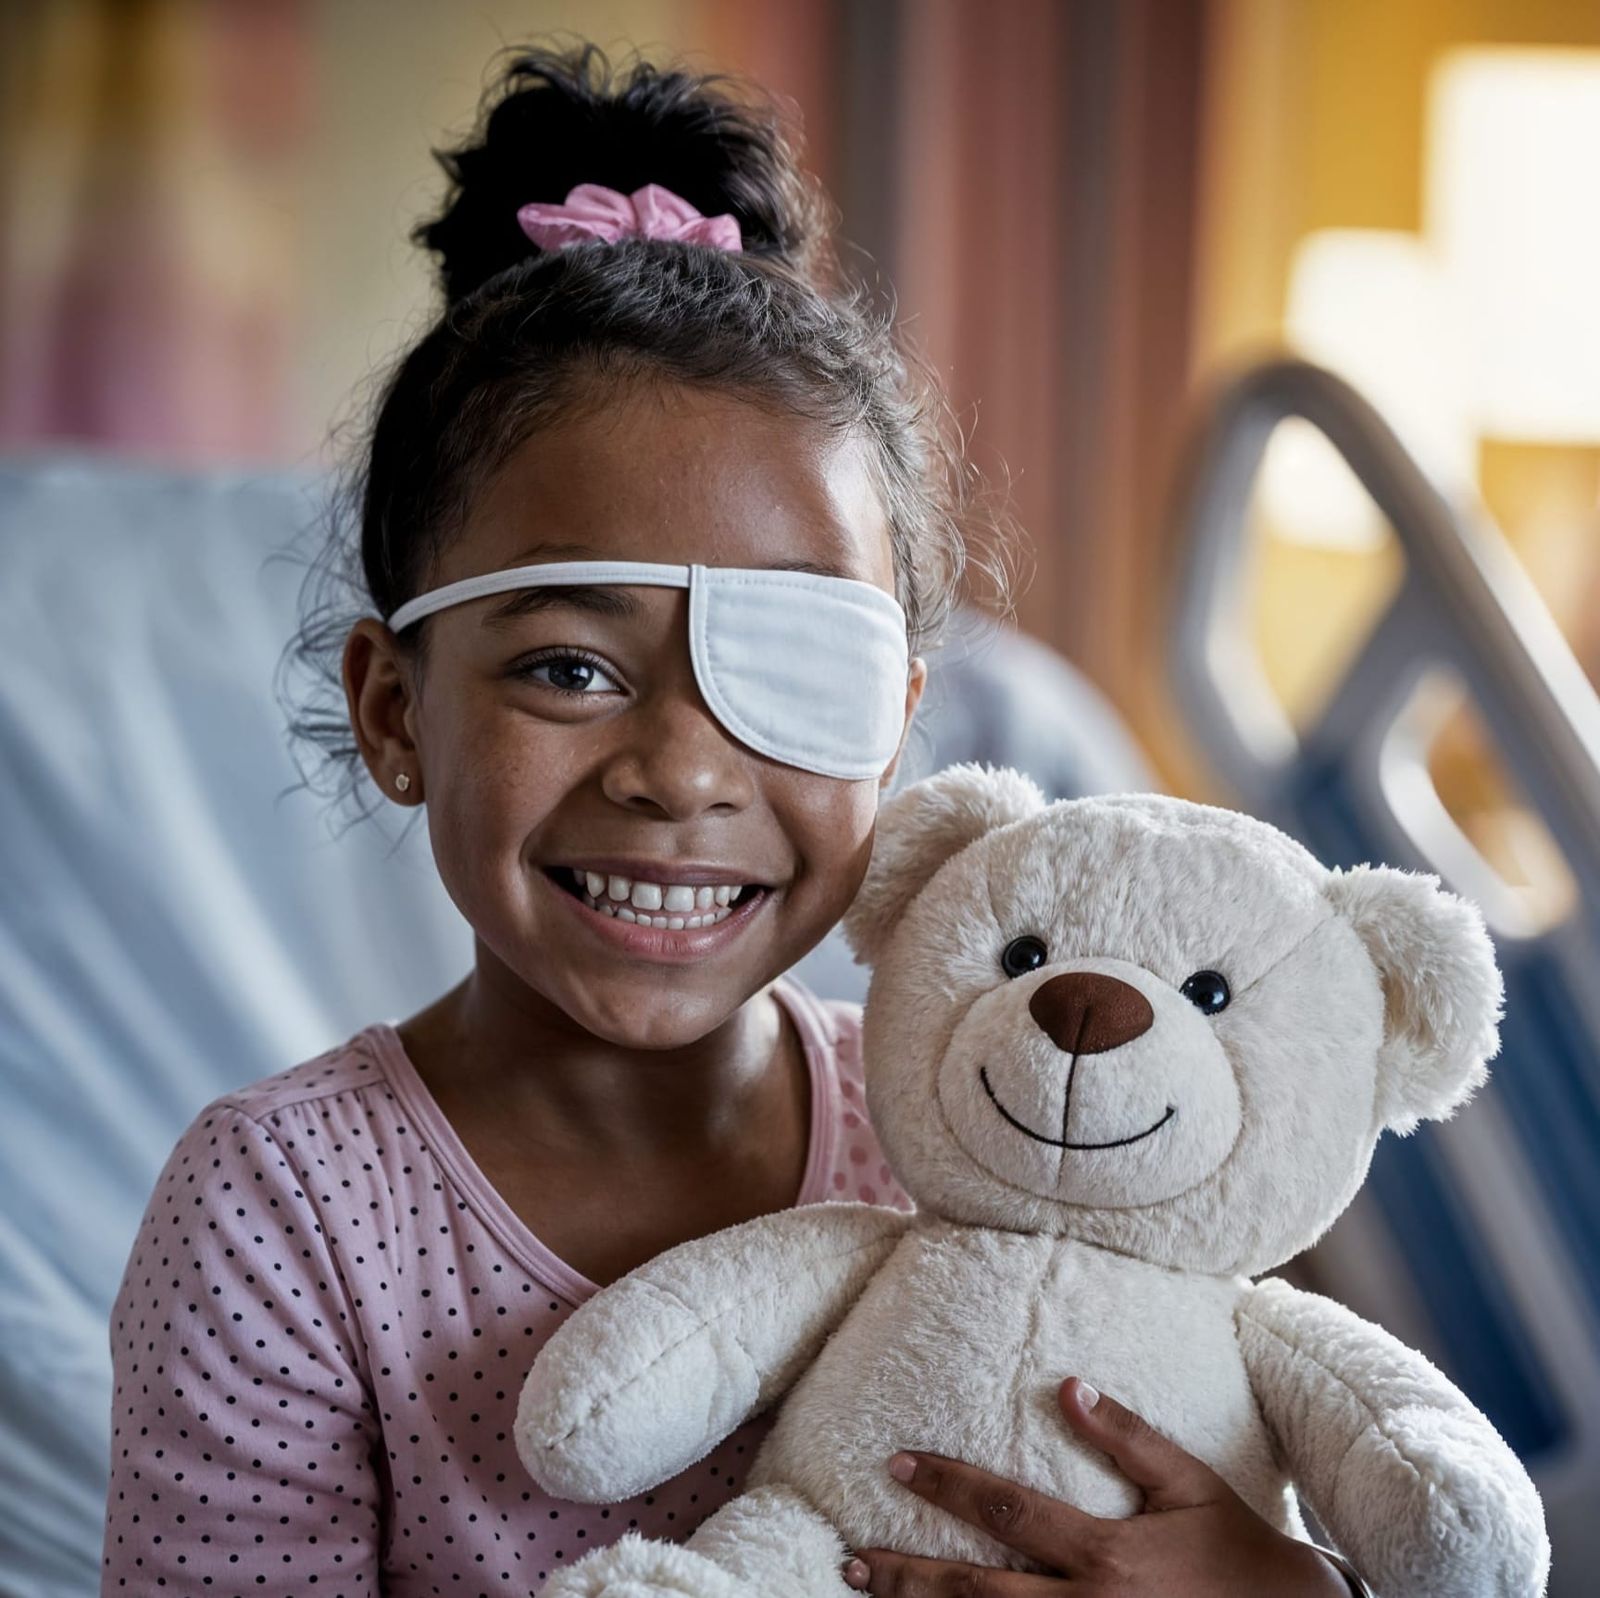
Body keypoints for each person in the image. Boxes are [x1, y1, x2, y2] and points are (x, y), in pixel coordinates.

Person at [100, 43, 1365, 1598]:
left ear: (896, 732)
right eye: (571, 665)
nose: (681, 772)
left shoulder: (1008, 1132)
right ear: (392, 710)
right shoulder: (281, 1219)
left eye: (786, 675)